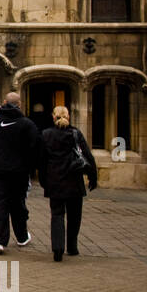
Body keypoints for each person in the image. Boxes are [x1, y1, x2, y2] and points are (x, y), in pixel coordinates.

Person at [0, 92, 41, 254]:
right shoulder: (27, 124)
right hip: (19, 172)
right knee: (18, 204)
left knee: (0, 203)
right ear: (19, 104)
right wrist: (30, 167)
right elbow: (36, 147)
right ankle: (21, 236)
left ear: (4, 102)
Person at [37, 105, 97, 261]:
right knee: (74, 215)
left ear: (53, 116)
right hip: (74, 180)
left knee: (57, 214)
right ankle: (72, 246)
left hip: (55, 180)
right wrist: (92, 177)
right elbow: (88, 156)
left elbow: (41, 161)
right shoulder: (75, 134)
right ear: (68, 117)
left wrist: (43, 180)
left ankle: (58, 248)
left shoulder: (46, 134)